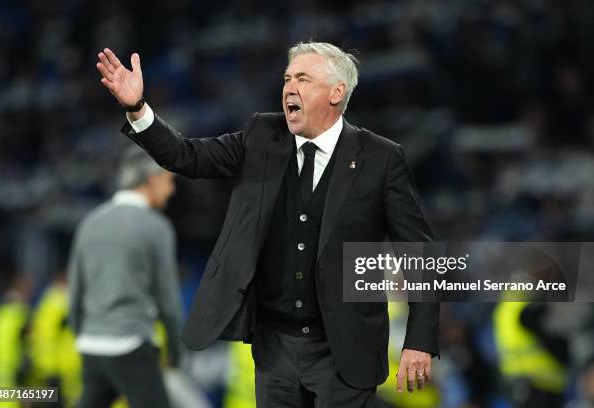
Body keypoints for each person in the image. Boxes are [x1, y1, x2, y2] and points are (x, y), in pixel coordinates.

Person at [96, 41, 439, 407]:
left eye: (303, 79)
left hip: (345, 348)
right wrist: (137, 108)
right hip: (275, 347)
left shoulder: (380, 158)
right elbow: (187, 156)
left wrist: (419, 340)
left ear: (336, 92)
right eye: (287, 78)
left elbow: (418, 254)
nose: (289, 87)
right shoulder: (262, 135)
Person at [67, 146, 183, 408]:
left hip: (92, 346)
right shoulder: (156, 227)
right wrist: (176, 353)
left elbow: (75, 292)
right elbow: (168, 301)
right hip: (131, 345)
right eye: (169, 180)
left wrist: (83, 336)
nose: (172, 189)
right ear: (151, 180)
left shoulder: (90, 222)